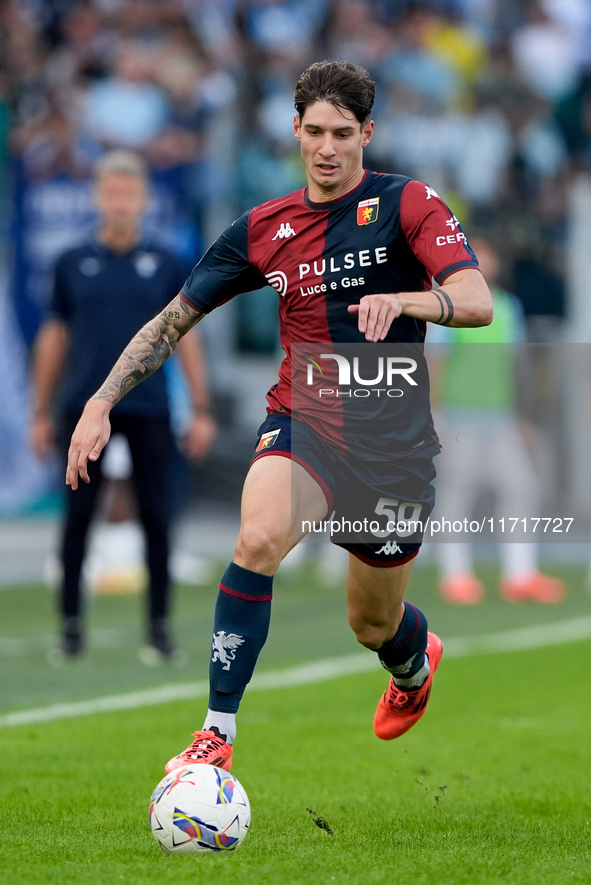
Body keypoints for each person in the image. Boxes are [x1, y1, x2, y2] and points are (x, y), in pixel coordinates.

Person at [66, 62, 492, 771]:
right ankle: (216, 731)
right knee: (257, 536)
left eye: (342, 134)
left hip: (390, 444)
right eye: (314, 132)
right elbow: (173, 320)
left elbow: (474, 299)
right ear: (294, 130)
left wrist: (408, 301)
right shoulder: (262, 228)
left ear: (367, 134)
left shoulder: (407, 203)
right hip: (305, 419)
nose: (326, 147)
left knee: (373, 622)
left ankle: (413, 665)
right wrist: (101, 399)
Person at [30, 149, 216, 662]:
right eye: (110, 191)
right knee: (78, 517)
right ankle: (69, 627)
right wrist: (43, 410)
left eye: (128, 192)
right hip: (84, 407)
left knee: (157, 516)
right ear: (97, 196)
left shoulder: (166, 263)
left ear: (142, 199)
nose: (119, 201)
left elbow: (188, 337)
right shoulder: (71, 263)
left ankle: (159, 629)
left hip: (151, 405)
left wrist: (200, 407)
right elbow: (54, 336)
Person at [431, 235, 566, 605]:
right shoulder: (447, 305)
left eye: (486, 253)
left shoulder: (508, 307)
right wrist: (435, 414)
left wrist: (519, 416)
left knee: (521, 488)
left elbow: (512, 365)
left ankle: (520, 575)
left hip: (499, 416)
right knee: (459, 495)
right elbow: (437, 363)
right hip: (459, 415)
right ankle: (455, 576)